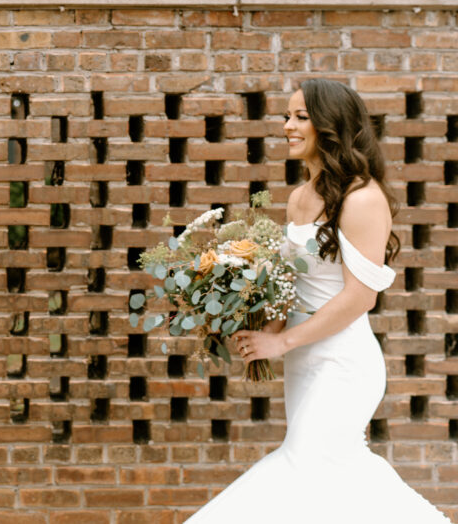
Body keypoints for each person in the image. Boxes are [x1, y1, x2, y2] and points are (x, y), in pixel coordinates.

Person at [187, 79, 449, 523]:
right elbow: (292, 284)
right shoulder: (299, 198)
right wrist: (257, 325)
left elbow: (359, 297)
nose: (288, 126)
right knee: (332, 485)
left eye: (301, 118)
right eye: (287, 117)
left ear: (331, 127)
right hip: (303, 364)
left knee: (302, 464)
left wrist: (282, 343)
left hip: (343, 364)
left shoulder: (363, 198)